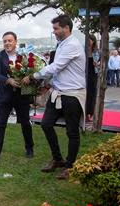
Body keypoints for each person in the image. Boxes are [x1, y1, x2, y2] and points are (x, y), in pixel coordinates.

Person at [23, 15, 86, 180]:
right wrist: (47, 83)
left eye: (56, 28)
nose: (54, 32)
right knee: (46, 124)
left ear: (66, 28)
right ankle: (58, 159)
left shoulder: (72, 44)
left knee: (72, 132)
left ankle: (70, 166)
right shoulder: (62, 44)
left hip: (72, 94)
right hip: (57, 92)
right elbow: (58, 70)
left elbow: (57, 66)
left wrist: (35, 76)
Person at [0, 32, 34, 163]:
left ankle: (29, 148)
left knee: (25, 123)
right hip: (5, 95)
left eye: (10, 41)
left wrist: (28, 78)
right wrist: (8, 80)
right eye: (5, 41)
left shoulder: (23, 56)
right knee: (0, 124)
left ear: (15, 42)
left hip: (21, 95)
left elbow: (31, 70)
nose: (7, 43)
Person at [85, 35, 99, 122]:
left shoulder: (96, 51)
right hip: (85, 74)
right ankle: (85, 113)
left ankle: (91, 113)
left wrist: (97, 63)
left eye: (90, 40)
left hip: (93, 74)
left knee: (92, 94)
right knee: (85, 94)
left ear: (93, 41)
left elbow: (97, 63)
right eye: (87, 40)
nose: (88, 42)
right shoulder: (83, 50)